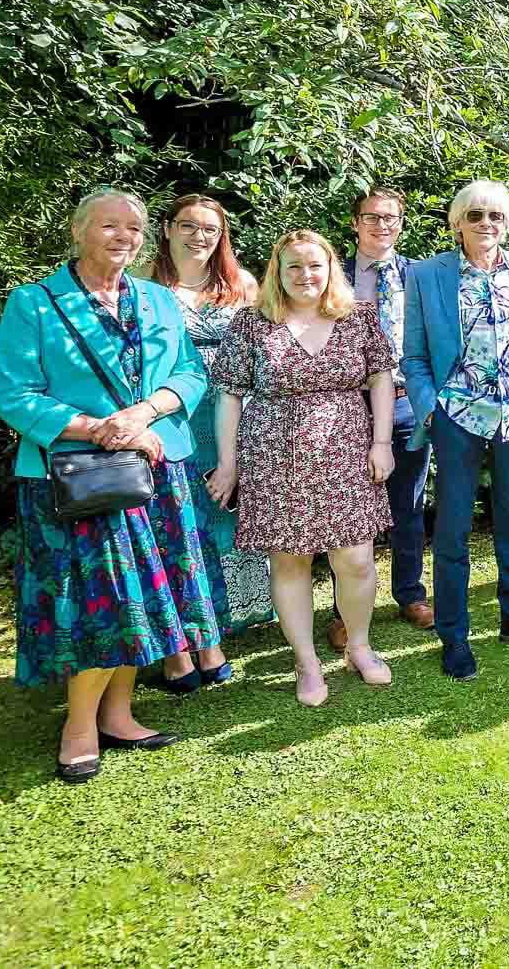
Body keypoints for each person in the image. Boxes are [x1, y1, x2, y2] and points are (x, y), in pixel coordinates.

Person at [0, 188, 222, 783]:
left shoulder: (154, 300)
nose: (124, 237)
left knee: (142, 596)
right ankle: (78, 727)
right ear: (78, 231)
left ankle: (118, 715)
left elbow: (189, 373)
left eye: (135, 228)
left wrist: (142, 416)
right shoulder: (34, 305)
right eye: (109, 226)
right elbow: (15, 395)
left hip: (158, 466)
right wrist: (101, 429)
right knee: (98, 600)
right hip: (77, 477)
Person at [205, 231, 397, 706]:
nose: (305, 275)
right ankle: (307, 662)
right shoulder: (251, 323)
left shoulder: (359, 319)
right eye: (294, 266)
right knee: (289, 562)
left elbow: (381, 379)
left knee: (355, 559)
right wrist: (227, 463)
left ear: (331, 267)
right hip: (274, 458)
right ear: (278, 271)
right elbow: (228, 393)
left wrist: (383, 442)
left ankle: (359, 646)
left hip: (348, 453)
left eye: (315, 265)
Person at [402, 180, 509, 681]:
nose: (486, 224)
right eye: (475, 216)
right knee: (452, 527)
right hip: (457, 417)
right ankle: (453, 633)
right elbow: (413, 356)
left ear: (507, 222)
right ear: (457, 224)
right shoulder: (427, 275)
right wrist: (431, 410)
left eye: (495, 215)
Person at [146, 193, 270, 689]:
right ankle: (180, 640)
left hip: (233, 415)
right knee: (174, 527)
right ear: (168, 229)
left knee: (228, 513)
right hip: (170, 422)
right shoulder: (143, 288)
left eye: (211, 229)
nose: (200, 236)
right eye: (189, 226)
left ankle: (223, 624)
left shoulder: (241, 285)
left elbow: (265, 355)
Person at [335, 186, 434, 650]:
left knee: (408, 503)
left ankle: (409, 593)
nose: (381, 225)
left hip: (407, 401)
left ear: (401, 223)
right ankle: (345, 610)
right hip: (347, 405)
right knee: (346, 510)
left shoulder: (420, 275)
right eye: (371, 217)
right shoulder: (332, 275)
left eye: (390, 218)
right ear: (355, 223)